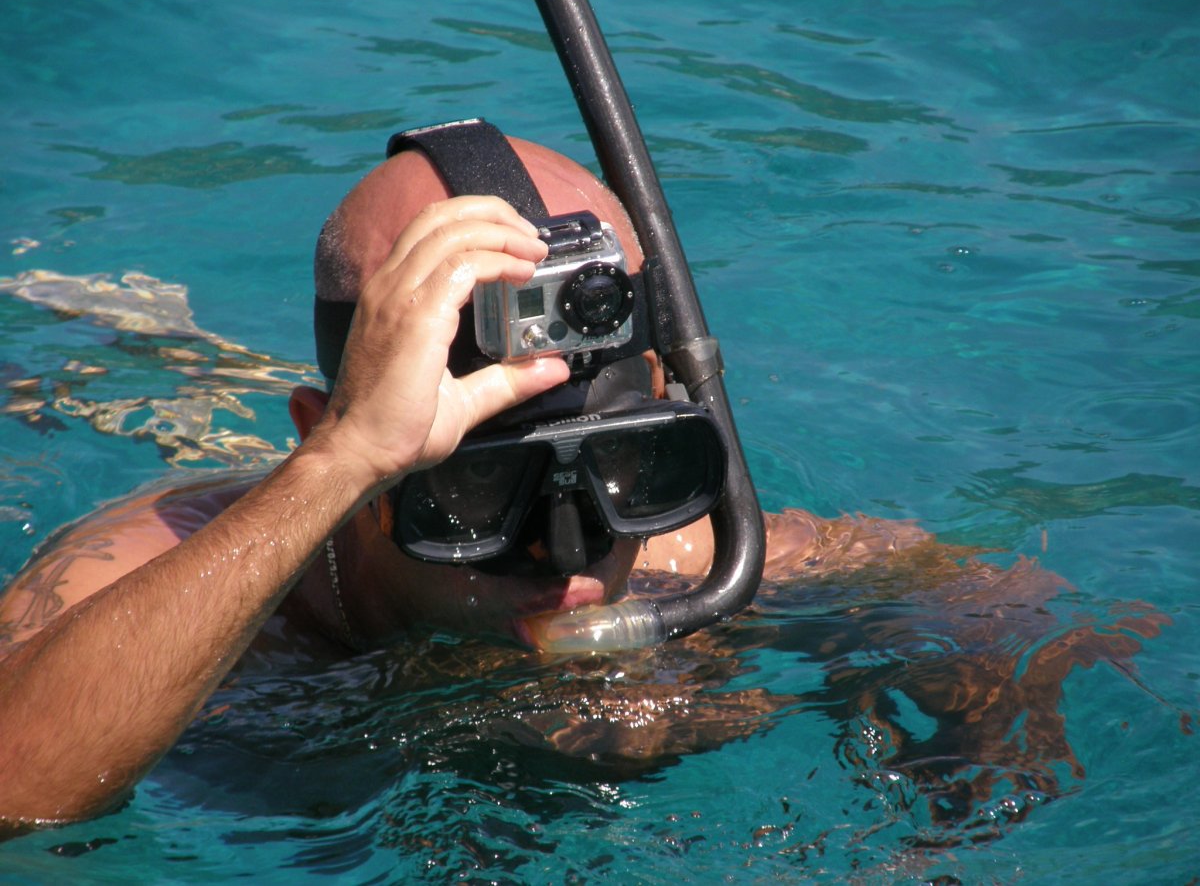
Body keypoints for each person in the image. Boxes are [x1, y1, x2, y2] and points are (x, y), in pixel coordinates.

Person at [0, 126, 1167, 836]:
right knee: (134, 405)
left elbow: (989, 597)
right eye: (474, 506)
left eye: (628, 474)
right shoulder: (160, 570)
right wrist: (349, 456)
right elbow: (16, 793)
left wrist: (977, 771)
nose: (574, 572)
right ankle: (113, 348)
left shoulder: (684, 554)